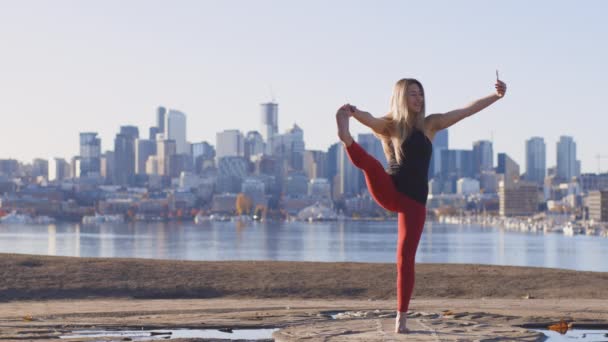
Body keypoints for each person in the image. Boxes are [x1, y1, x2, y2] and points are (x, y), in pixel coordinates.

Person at [335, 76, 507, 333]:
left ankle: (401, 319)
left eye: (421, 94)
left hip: (415, 201)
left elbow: (465, 111)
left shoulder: (431, 125)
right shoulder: (390, 126)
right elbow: (370, 118)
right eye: (413, 94)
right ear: (401, 98)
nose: (419, 99)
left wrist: (496, 96)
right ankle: (345, 139)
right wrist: (353, 112)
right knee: (371, 164)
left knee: (405, 259)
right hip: (391, 191)